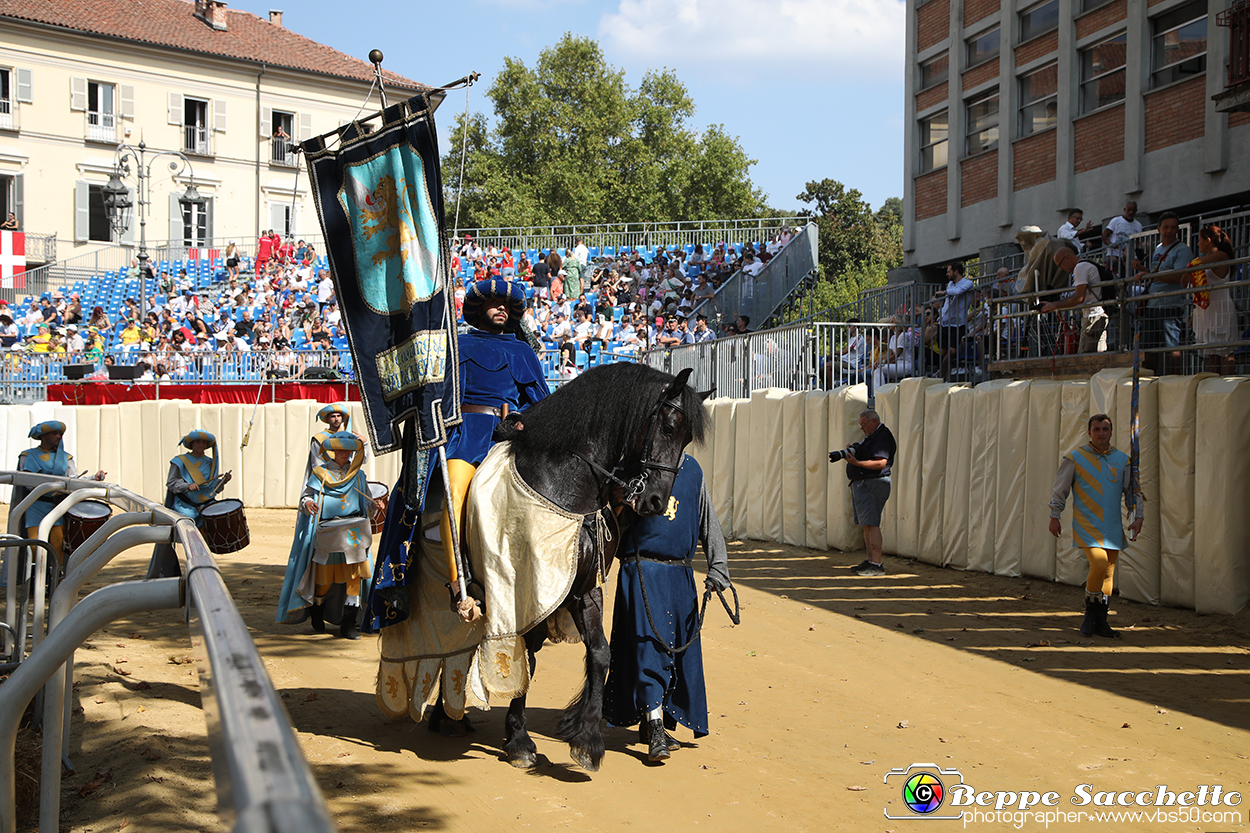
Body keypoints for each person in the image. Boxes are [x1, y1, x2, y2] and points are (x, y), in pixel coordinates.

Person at [603, 454, 731, 762]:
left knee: (675, 653)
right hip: (642, 572)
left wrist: (718, 566)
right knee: (648, 649)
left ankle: (651, 721)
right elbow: (611, 523)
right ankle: (657, 728)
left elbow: (706, 518)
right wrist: (622, 503)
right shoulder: (629, 467)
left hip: (681, 574)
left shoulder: (694, 469)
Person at [437, 278, 549, 618]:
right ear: (477, 309)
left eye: (508, 304)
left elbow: (541, 403)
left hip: (508, 439)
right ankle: (459, 585)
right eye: (493, 302)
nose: (501, 307)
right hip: (464, 435)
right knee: (453, 491)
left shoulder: (522, 351)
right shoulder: (456, 344)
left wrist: (518, 420)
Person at [1048, 414, 1143, 638]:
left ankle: (1101, 618)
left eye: (1105, 429)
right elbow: (1060, 488)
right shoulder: (1075, 457)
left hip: (1112, 525)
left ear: (1111, 432)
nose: (1101, 433)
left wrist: (1138, 517)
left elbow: (1134, 491)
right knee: (1099, 564)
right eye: (1097, 429)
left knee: (1109, 573)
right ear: (1089, 432)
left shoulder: (1122, 460)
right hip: (1087, 524)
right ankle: (1090, 613)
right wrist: (1055, 515)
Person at [277, 432, 379, 638]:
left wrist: (375, 506)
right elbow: (305, 498)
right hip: (329, 532)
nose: (344, 454)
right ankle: (316, 609)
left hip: (354, 533)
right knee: (324, 579)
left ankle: (348, 623)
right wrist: (308, 503)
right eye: (340, 450)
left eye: (347, 450)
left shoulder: (358, 475)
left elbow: (366, 503)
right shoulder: (319, 474)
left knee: (355, 577)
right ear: (333, 451)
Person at [14, 421, 107, 566]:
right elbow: (27, 483)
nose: (59, 436)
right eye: (55, 433)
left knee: (56, 545)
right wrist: (54, 487)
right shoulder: (28, 456)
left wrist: (93, 478)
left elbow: (74, 479)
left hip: (57, 507)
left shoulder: (66, 457)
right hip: (35, 506)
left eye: (60, 434)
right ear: (43, 436)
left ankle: (54, 581)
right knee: (34, 547)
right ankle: (33, 583)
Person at [832, 410, 896, 576]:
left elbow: (881, 463)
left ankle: (876, 564)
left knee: (871, 524)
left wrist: (857, 462)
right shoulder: (872, 437)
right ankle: (870, 561)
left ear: (874, 421)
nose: (862, 428)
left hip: (872, 484)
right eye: (861, 425)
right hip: (864, 484)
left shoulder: (882, 437)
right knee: (866, 524)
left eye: (864, 424)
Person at [1136, 211, 1193, 375]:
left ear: (1177, 230)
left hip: (1170, 305)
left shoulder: (1182, 249)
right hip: (1152, 305)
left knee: (1171, 348)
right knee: (1148, 350)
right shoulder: (1158, 248)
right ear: (1158, 228)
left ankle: (1174, 383)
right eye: (1166, 227)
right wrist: (1144, 272)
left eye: (1173, 227)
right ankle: (1148, 383)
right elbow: (1160, 274)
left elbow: (1181, 277)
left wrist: (1151, 275)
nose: (1169, 231)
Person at [1188, 224, 1238, 375]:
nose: (1198, 244)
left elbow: (1193, 265)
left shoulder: (1222, 256)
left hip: (1220, 309)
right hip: (1206, 312)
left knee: (1225, 352)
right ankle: (1212, 388)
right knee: (1212, 355)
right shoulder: (1204, 263)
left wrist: (1187, 270)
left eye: (1200, 240)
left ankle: (1228, 388)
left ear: (1208, 240)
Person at [1041, 248, 1108, 353]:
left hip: (1093, 316)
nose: (1061, 269)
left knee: (1086, 358)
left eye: (1060, 265)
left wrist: (1054, 305)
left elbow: (1078, 298)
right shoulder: (1084, 265)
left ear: (1067, 257)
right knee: (1096, 356)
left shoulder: (1080, 268)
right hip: (1096, 315)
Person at [935, 262, 974, 381]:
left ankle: (940, 372)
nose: (947, 274)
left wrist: (944, 292)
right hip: (945, 321)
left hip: (958, 323)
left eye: (949, 271)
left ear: (956, 272)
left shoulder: (968, 283)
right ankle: (946, 380)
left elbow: (958, 292)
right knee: (946, 352)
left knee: (953, 350)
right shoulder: (950, 284)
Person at [1101, 201, 1141, 277]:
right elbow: (1104, 236)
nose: (1131, 212)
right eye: (1129, 210)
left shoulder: (1138, 225)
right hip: (1115, 254)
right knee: (1113, 264)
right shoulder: (1116, 221)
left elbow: (1138, 242)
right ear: (1124, 210)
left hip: (1128, 255)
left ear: (1136, 211)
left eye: (1133, 210)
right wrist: (1111, 245)